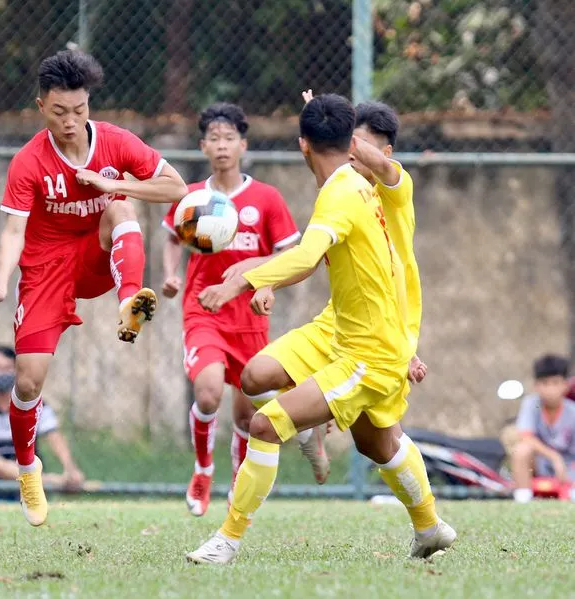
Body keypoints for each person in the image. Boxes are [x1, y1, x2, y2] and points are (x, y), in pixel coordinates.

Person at [186, 94, 455, 564]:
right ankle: (429, 526)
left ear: (302, 145)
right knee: (258, 378)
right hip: (340, 329)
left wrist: (244, 280)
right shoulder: (356, 185)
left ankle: (226, 540)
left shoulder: (366, 188)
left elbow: (307, 258)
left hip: (370, 349)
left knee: (266, 424)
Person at [0, 50, 188, 527]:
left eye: (79, 110)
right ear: (40, 106)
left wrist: (112, 184)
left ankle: (130, 299)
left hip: (95, 250)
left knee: (121, 208)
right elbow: (13, 231)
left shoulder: (115, 143)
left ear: (89, 104)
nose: (70, 122)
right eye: (58, 112)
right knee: (28, 381)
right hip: (46, 267)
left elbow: (177, 188)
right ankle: (29, 469)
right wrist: (2, 282)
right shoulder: (29, 161)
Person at [238, 94, 428, 480]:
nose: (350, 155)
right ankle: (307, 428)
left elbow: (396, 283)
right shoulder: (343, 189)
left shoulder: (394, 193)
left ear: (384, 152)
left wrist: (406, 349)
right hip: (337, 324)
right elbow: (309, 250)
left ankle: (429, 523)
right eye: (347, 143)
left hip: (381, 336)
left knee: (378, 442)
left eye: (359, 146)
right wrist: (267, 279)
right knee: (255, 376)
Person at [161, 102, 303, 516]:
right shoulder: (192, 198)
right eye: (214, 139)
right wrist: (171, 276)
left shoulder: (266, 198)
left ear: (243, 144)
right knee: (207, 393)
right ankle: (203, 469)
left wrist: (268, 285)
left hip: (250, 319)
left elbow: (290, 253)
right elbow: (171, 236)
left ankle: (239, 477)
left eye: (230, 139)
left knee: (245, 415)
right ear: (203, 146)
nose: (222, 147)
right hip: (203, 309)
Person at [0, 345, 86, 500]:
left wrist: (70, 468)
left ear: (17, 371)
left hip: (26, 469)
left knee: (29, 461)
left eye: (6, 368)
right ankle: (45, 481)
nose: (0, 374)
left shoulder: (34, 406)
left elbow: (54, 436)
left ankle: (33, 481)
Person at [511, 354, 575, 503]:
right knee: (521, 449)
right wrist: (554, 458)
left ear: (566, 385)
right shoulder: (531, 404)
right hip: (541, 463)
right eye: (545, 383)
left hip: (568, 466)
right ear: (536, 385)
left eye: (555, 383)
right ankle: (523, 498)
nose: (550, 389)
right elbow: (526, 437)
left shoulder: (572, 411)